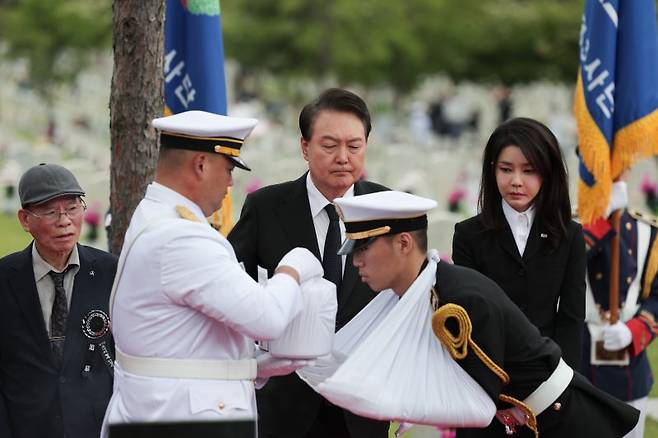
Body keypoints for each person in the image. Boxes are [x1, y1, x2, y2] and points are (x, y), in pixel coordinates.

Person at [334, 190, 639, 438]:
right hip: (522, 421)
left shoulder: (458, 301)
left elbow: (477, 404)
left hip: (557, 422)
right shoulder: (428, 290)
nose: (356, 262)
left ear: (403, 243)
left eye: (362, 249)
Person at [101, 111, 325, 434]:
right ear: (201, 165)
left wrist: (256, 365)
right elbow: (269, 318)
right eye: (229, 167)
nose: (231, 182)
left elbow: (185, 340)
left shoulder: (158, 214)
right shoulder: (181, 237)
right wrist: (293, 267)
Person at [228, 88, 389, 438]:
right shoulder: (266, 207)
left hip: (363, 405)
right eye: (330, 146)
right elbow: (232, 286)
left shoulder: (388, 208)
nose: (343, 157)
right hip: (286, 406)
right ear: (305, 147)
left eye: (354, 146)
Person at [452, 117, 586, 370]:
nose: (516, 181)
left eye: (529, 170)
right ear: (492, 170)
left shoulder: (570, 235)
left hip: (549, 372)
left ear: (547, 173)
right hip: (489, 371)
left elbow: (571, 318)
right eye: (506, 169)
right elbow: (470, 316)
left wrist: (565, 385)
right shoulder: (468, 234)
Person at [0, 163, 117, 438]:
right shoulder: (5, 280)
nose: (64, 220)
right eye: (51, 211)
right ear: (25, 219)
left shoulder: (110, 272)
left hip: (95, 428)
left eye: (73, 207)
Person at [581, 176, 658, 438]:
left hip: (628, 372)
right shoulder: (567, 227)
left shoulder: (649, 231)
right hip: (577, 364)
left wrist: (634, 330)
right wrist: (599, 220)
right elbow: (556, 269)